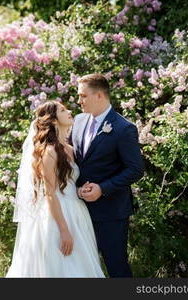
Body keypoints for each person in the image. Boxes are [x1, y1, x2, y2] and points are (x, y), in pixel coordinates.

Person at [6, 100, 105, 277]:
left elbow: (70, 182)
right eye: (62, 110)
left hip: (77, 213)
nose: (68, 112)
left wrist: (80, 191)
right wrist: (64, 230)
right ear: (52, 120)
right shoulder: (49, 151)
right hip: (57, 217)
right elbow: (50, 193)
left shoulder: (70, 148)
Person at [69, 73, 144, 277]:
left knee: (116, 265)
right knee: (82, 267)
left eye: (83, 96)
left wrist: (103, 188)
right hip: (78, 209)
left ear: (100, 95)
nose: (79, 101)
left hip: (111, 212)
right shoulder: (78, 121)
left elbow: (136, 169)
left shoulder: (123, 128)